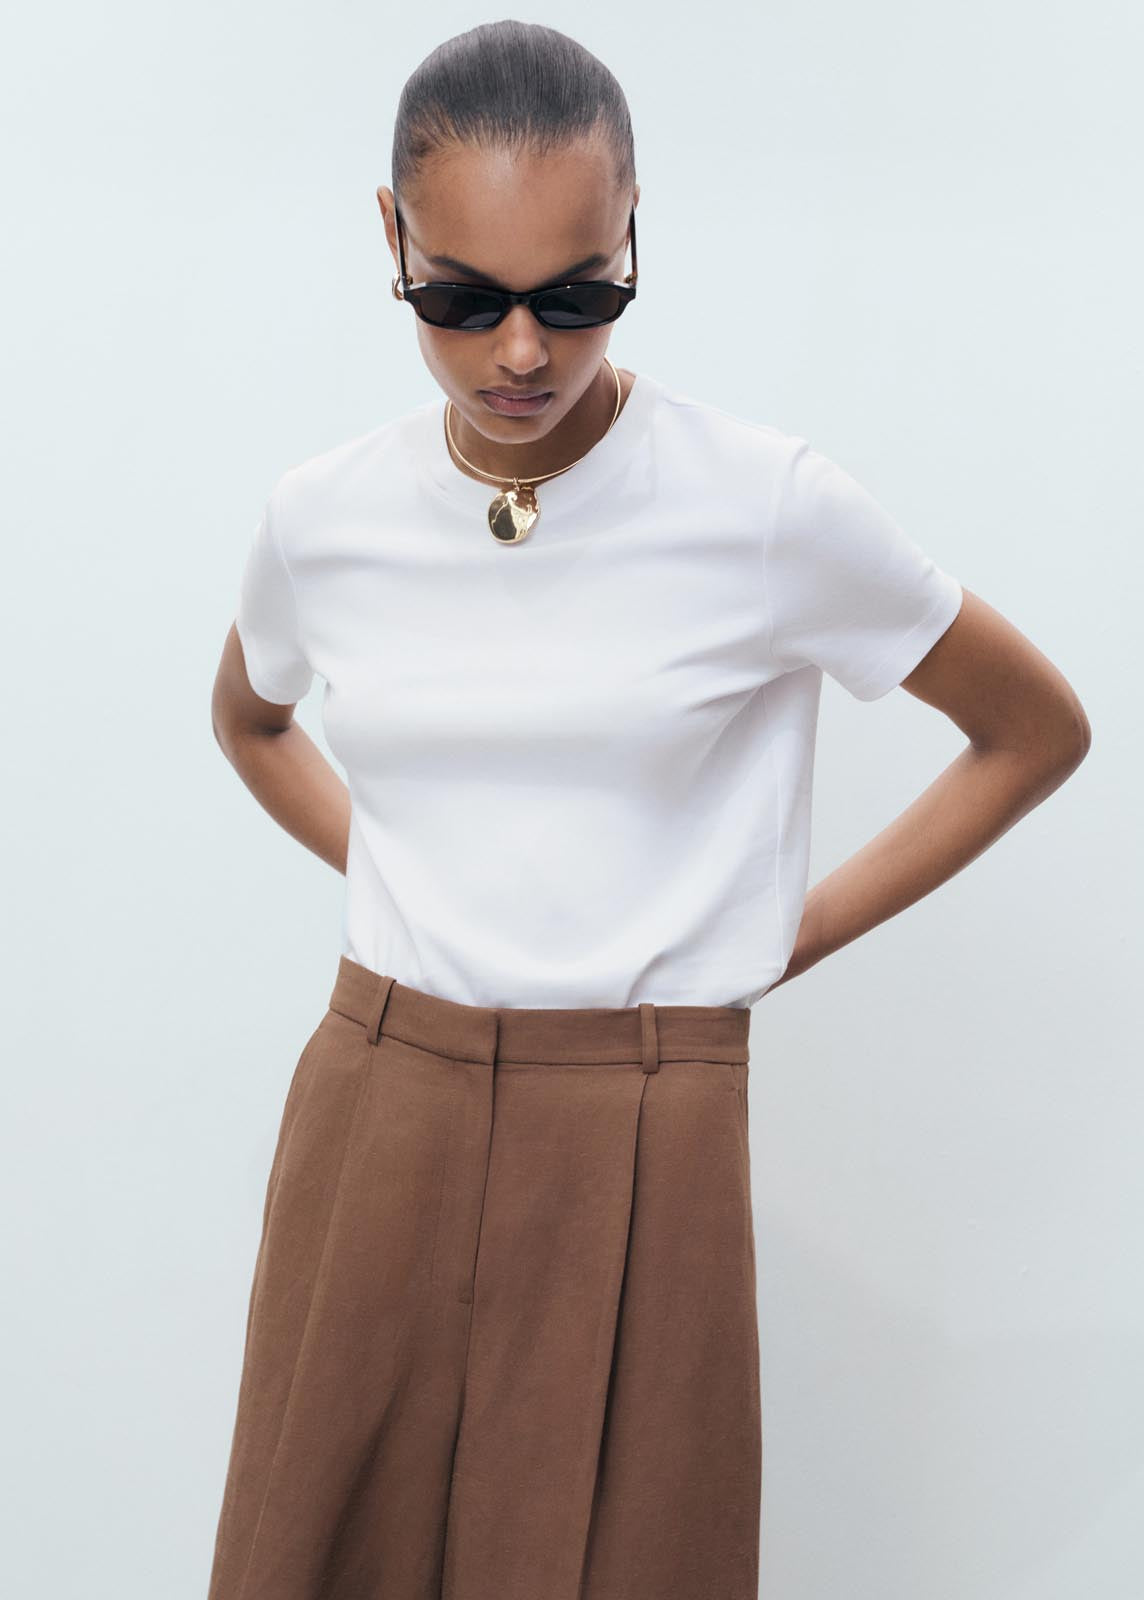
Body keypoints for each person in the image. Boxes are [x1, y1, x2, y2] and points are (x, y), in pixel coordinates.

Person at [206, 20, 1091, 1600]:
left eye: (578, 293)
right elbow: (252, 721)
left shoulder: (764, 505)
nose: (522, 352)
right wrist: (410, 869)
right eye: (463, 298)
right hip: (379, 1099)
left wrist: (776, 935)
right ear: (392, 240)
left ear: (634, 233)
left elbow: (1033, 733)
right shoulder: (325, 517)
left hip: (648, 1117)